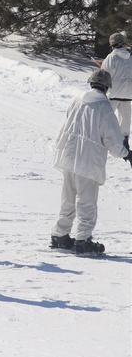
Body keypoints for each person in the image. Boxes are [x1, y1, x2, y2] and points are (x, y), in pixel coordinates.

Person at [50, 69, 131, 255]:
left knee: (68, 199)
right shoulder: (104, 106)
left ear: (91, 83)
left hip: (68, 155)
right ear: (107, 87)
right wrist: (126, 154)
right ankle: (83, 241)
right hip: (88, 160)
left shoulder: (77, 99)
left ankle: (60, 235)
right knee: (86, 202)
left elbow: (63, 126)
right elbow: (112, 139)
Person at [100, 32, 131, 138]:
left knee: (105, 118)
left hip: (113, 93)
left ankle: (102, 139)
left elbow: (105, 75)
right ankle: (124, 143)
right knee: (125, 123)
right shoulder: (130, 57)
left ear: (112, 44)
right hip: (128, 94)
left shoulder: (112, 57)